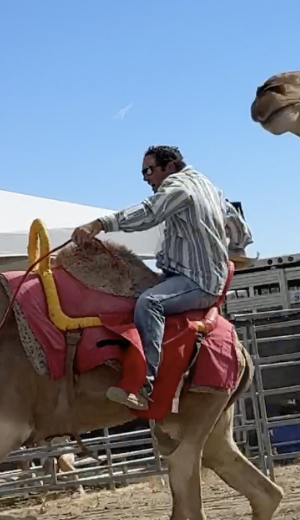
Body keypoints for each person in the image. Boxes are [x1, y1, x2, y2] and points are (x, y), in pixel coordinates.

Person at [72, 145, 252, 411]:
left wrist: (100, 224)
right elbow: (238, 225)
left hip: (196, 282)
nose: (146, 177)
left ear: (169, 166)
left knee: (149, 303)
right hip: (190, 276)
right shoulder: (209, 186)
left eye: (149, 170)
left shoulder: (178, 187)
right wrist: (238, 248)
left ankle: (144, 383)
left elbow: (149, 212)